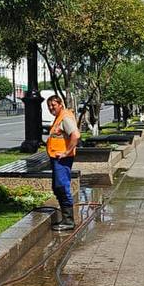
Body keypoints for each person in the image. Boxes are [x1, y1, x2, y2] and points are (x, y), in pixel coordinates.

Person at [46, 94, 81, 231]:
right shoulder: (59, 117)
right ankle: (65, 218)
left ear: (60, 104)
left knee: (62, 186)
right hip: (57, 158)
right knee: (57, 187)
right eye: (49, 106)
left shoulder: (65, 117)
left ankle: (68, 221)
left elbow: (76, 135)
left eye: (53, 105)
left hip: (62, 159)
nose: (51, 108)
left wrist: (66, 152)